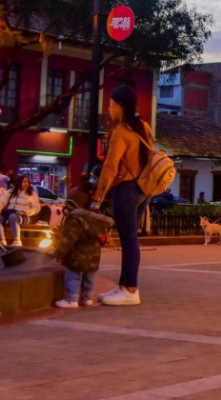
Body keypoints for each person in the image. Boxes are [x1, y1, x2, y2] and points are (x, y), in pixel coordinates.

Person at [92, 83, 153, 306]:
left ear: (120, 105)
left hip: (127, 189)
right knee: (131, 240)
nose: (109, 108)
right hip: (144, 189)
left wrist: (97, 200)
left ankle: (130, 290)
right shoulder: (143, 127)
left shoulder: (121, 131)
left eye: (110, 103)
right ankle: (122, 286)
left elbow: (110, 167)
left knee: (129, 241)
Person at [52, 196, 115, 309]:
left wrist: (58, 254)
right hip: (94, 256)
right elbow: (103, 239)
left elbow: (67, 240)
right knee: (89, 278)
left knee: (73, 277)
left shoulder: (76, 221)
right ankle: (87, 299)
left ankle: (71, 300)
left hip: (77, 256)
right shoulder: (97, 221)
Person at [0, 175, 41, 247]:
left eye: (27, 182)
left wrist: (28, 212)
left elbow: (36, 208)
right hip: (10, 213)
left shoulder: (31, 194)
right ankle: (2, 240)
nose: (26, 184)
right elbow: (2, 203)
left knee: (13, 216)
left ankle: (17, 240)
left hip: (24, 216)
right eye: (24, 182)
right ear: (19, 183)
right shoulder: (10, 192)